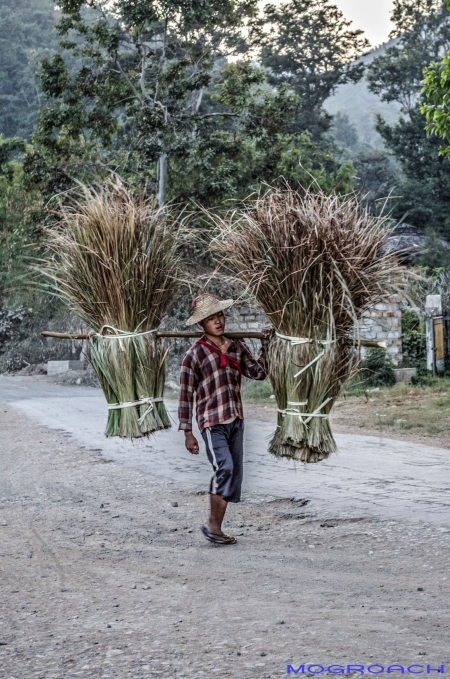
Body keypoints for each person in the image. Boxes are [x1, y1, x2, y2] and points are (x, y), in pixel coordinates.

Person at [178, 293, 269, 545]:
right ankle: (212, 525)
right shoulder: (193, 355)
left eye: (219, 315)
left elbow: (257, 373)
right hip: (211, 422)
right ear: (201, 325)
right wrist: (187, 432)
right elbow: (185, 395)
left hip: (235, 419)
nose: (217, 321)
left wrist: (267, 346)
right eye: (210, 318)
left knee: (233, 475)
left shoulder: (235, 347)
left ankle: (216, 529)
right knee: (224, 468)